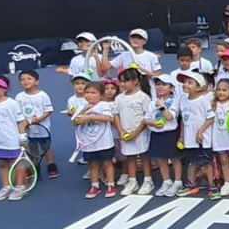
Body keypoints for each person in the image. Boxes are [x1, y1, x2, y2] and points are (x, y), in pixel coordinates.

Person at [74, 79, 118, 199]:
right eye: (87, 92)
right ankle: (95, 186)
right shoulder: (81, 106)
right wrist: (83, 112)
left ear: (101, 95)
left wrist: (90, 117)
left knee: (107, 163)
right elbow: (74, 122)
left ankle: (110, 184)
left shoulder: (104, 105)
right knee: (93, 165)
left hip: (104, 142)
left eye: (93, 93)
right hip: (88, 143)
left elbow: (109, 118)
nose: (90, 95)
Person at [112, 68, 153, 196]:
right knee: (130, 157)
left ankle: (148, 180)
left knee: (144, 156)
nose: (123, 84)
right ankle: (132, 180)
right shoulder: (119, 98)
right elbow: (116, 115)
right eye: (121, 82)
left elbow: (147, 117)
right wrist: (121, 131)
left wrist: (136, 132)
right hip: (125, 133)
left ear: (136, 81)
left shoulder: (144, 97)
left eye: (126, 81)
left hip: (140, 133)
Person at [16, 69, 59, 179]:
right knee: (32, 148)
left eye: (29, 79)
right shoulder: (19, 97)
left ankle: (51, 165)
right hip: (28, 129)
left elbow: (48, 110)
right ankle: (35, 167)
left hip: (42, 128)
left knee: (46, 147)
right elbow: (18, 112)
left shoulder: (43, 95)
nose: (26, 81)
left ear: (36, 81)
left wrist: (39, 119)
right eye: (22, 80)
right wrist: (23, 125)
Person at [146, 74, 182, 197]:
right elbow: (146, 119)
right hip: (157, 133)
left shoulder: (174, 102)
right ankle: (166, 181)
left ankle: (178, 181)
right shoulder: (152, 103)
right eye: (158, 84)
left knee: (175, 158)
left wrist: (162, 106)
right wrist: (154, 123)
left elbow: (169, 116)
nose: (160, 87)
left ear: (171, 88)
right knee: (161, 159)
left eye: (164, 85)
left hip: (171, 133)